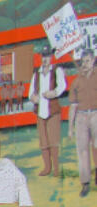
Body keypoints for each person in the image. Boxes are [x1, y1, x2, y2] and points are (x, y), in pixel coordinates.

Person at [28, 46, 67, 176]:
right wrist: (33, 97)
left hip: (53, 110)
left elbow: (62, 86)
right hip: (40, 111)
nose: (45, 59)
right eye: (43, 56)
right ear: (41, 57)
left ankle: (56, 168)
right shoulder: (36, 74)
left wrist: (53, 92)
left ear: (51, 57)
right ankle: (47, 168)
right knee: (43, 141)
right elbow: (30, 93)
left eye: (47, 56)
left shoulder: (57, 70)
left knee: (54, 140)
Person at [70, 46, 97, 198]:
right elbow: (73, 105)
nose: (85, 64)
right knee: (82, 150)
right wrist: (70, 128)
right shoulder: (76, 82)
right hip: (81, 117)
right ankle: (85, 183)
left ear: (93, 61)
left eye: (88, 61)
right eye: (83, 61)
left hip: (96, 115)